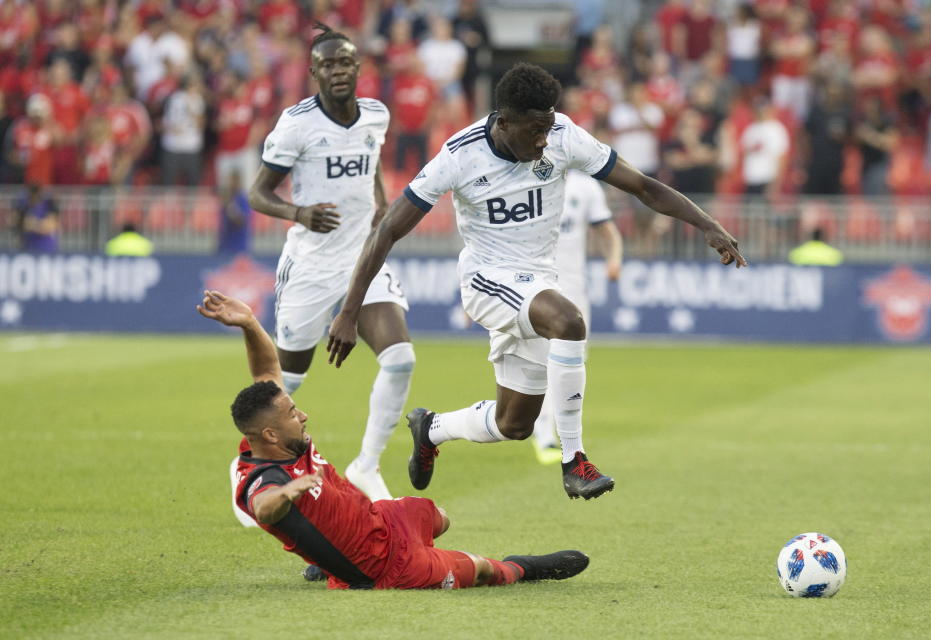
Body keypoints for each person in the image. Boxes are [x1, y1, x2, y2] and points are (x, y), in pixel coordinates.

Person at [327, 63, 746, 501]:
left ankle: (432, 428)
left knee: (514, 424)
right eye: (535, 130)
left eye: (548, 127)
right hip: (488, 279)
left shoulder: (563, 135)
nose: (544, 139)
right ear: (504, 123)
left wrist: (706, 223)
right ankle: (574, 460)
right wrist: (350, 311)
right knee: (568, 321)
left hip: (537, 279)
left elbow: (641, 186)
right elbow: (388, 229)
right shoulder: (459, 155)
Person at [199, 290, 590, 590]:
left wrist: (250, 322)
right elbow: (263, 507)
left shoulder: (282, 436)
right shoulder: (264, 478)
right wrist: (289, 492)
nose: (302, 416)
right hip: (384, 567)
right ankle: (523, 567)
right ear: (269, 434)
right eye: (291, 415)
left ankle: (328, 558)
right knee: (484, 568)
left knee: (439, 517)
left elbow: (267, 372)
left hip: (382, 519)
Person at [247, 24, 415, 504]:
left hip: (363, 258)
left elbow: (373, 160)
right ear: (314, 72)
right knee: (286, 384)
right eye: (328, 65)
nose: (338, 71)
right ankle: (252, 467)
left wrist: (380, 202)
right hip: (311, 266)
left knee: (400, 359)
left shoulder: (376, 116)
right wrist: (297, 213)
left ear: (358, 68)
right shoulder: (297, 124)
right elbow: (257, 193)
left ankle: (367, 464)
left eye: (345, 62)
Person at [531, 170, 622, 465]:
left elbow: (606, 230)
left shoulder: (585, 186)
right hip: (536, 286)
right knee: (543, 361)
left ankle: (562, 434)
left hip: (574, 291)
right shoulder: (527, 178)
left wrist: (614, 258)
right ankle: (544, 433)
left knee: (573, 363)